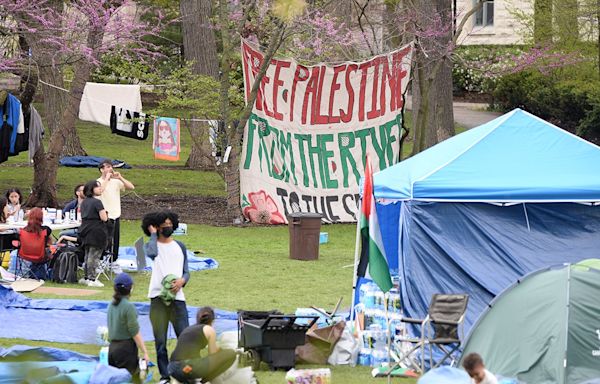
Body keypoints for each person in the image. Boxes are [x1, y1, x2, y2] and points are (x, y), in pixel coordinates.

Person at [142, 210, 190, 384]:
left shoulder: (180, 246)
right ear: (156, 227)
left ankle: (185, 374)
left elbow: (186, 271)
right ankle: (164, 377)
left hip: (178, 299)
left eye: (170, 224)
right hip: (158, 299)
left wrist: (182, 281)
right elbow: (152, 253)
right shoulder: (150, 245)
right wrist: (153, 234)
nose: (168, 227)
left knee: (185, 338)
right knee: (160, 341)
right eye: (164, 225)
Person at [168, 307, 236, 384]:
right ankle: (203, 381)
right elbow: (212, 355)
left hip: (172, 368)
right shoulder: (209, 329)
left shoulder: (190, 328)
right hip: (186, 367)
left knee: (197, 363)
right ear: (212, 320)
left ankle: (188, 380)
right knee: (231, 354)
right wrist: (221, 351)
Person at [107, 272, 149, 383]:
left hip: (111, 349)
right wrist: (145, 351)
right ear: (130, 288)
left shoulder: (111, 305)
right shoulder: (128, 307)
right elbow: (135, 332)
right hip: (125, 349)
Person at [97, 159, 135, 273]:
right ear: (101, 170)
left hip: (115, 214)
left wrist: (120, 178)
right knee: (103, 239)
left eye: (111, 167)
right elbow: (99, 191)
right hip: (104, 216)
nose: (110, 169)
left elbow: (131, 187)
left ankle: (113, 262)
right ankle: (100, 261)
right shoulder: (98, 182)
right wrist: (107, 179)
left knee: (115, 239)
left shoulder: (116, 182)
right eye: (107, 167)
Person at [78, 180, 108, 287]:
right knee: (94, 255)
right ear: (92, 189)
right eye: (98, 187)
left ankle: (86, 277)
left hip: (85, 229)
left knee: (87, 254)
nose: (100, 189)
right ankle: (92, 278)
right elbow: (104, 218)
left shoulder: (84, 202)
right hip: (96, 230)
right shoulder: (97, 202)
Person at [19, 207, 52, 279]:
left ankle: (34, 272)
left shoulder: (23, 231)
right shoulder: (46, 230)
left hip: (25, 254)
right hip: (41, 255)